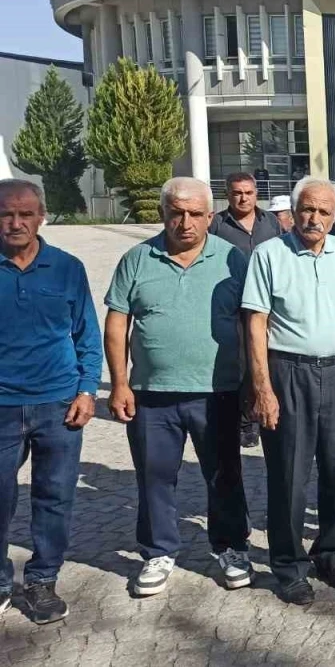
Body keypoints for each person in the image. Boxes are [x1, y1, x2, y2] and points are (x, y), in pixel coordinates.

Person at [103, 177, 252, 597]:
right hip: (152, 394)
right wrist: (119, 383)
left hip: (217, 392)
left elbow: (251, 323)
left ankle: (231, 547)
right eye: (176, 213)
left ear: (210, 216)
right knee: (154, 477)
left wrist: (253, 382)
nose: (185, 223)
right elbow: (117, 322)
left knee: (224, 475)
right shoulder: (137, 259)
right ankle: (158, 552)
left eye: (195, 214)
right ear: (162, 213)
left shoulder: (233, 259)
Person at [241, 176, 335, 605]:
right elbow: (256, 323)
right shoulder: (269, 254)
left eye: (323, 211)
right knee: (289, 475)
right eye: (307, 209)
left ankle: (331, 553)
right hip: (289, 372)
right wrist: (263, 388)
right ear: (293, 212)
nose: (314, 218)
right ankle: (289, 565)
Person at [0, 179, 101, 624]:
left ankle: (43, 579)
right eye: (6, 214)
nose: (15, 222)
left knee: (54, 496)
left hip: (58, 405)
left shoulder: (67, 268)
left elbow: (87, 334)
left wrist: (87, 390)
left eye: (25, 214)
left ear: (42, 217)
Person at [208, 172, 284, 449]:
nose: (243, 198)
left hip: (267, 304)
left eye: (248, 193)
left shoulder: (270, 222)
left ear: (256, 194)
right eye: (237, 193)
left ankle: (269, 410)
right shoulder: (217, 224)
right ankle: (246, 422)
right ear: (228, 195)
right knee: (241, 363)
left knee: (268, 360)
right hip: (234, 306)